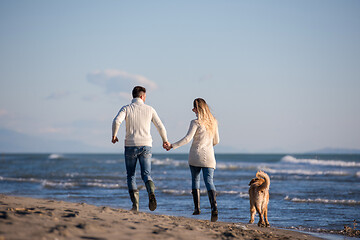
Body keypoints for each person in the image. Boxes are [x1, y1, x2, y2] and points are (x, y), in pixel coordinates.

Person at [112, 86, 169, 212]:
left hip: (130, 145)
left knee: (131, 175)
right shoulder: (150, 109)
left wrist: (114, 135)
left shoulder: (126, 108)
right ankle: (151, 193)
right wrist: (165, 140)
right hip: (146, 145)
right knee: (146, 174)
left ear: (133, 96)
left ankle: (135, 205)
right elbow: (160, 126)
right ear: (143, 96)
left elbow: (117, 121)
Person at [165, 98, 219, 222]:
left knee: (195, 180)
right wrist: (208, 146)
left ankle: (197, 209)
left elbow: (187, 139)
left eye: (193, 108)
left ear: (197, 108)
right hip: (209, 157)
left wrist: (172, 145)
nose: (192, 110)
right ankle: (214, 208)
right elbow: (216, 141)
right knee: (209, 181)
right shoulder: (214, 122)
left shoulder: (195, 122)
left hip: (195, 155)